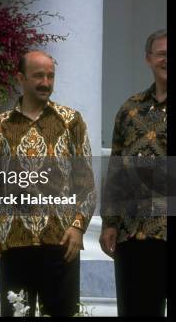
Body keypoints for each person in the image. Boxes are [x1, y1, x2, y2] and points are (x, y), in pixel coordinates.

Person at [0, 50, 96, 317]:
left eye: (50, 76)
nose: (46, 82)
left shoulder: (71, 121)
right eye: (38, 76)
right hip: (14, 241)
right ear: (20, 78)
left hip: (61, 241)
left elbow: (86, 183)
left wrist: (78, 228)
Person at [99, 29, 167, 316]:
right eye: (162, 53)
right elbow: (116, 168)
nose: (167, 59)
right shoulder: (129, 110)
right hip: (133, 234)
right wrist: (109, 223)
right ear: (148, 59)